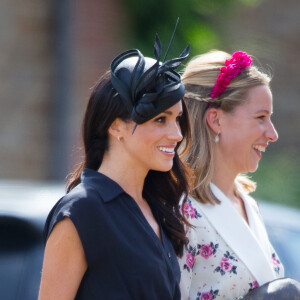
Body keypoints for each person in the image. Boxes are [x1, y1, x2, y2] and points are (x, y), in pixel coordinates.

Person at [38, 34, 191, 300]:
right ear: (115, 126)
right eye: (160, 119)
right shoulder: (82, 210)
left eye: (177, 119)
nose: (177, 134)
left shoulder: (157, 208)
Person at [178, 50, 284, 300]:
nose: (272, 134)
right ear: (215, 120)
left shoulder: (248, 204)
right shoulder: (181, 211)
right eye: (261, 118)